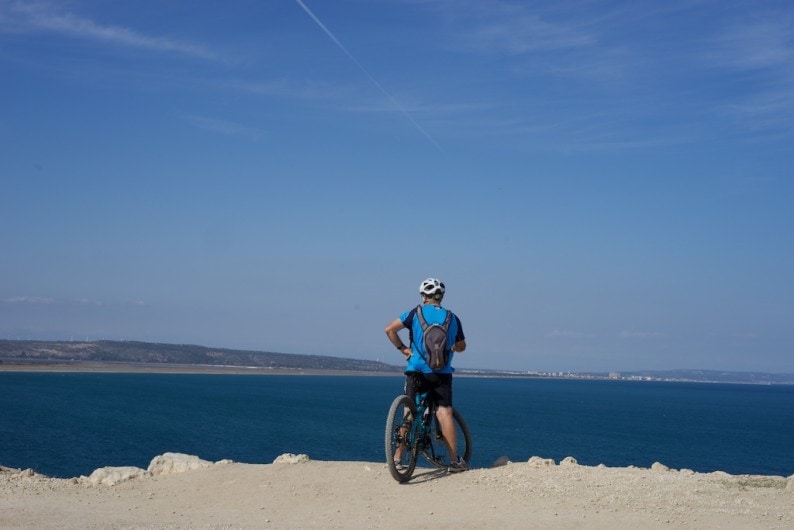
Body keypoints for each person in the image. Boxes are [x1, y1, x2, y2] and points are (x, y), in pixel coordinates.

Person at [384, 277, 468, 472]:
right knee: (444, 412)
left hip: (416, 370)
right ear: (442, 296)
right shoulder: (452, 318)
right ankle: (455, 461)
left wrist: (403, 349)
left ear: (424, 296)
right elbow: (462, 346)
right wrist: (453, 347)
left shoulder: (414, 314)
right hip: (442, 373)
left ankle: (397, 457)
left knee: (409, 411)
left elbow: (389, 330)